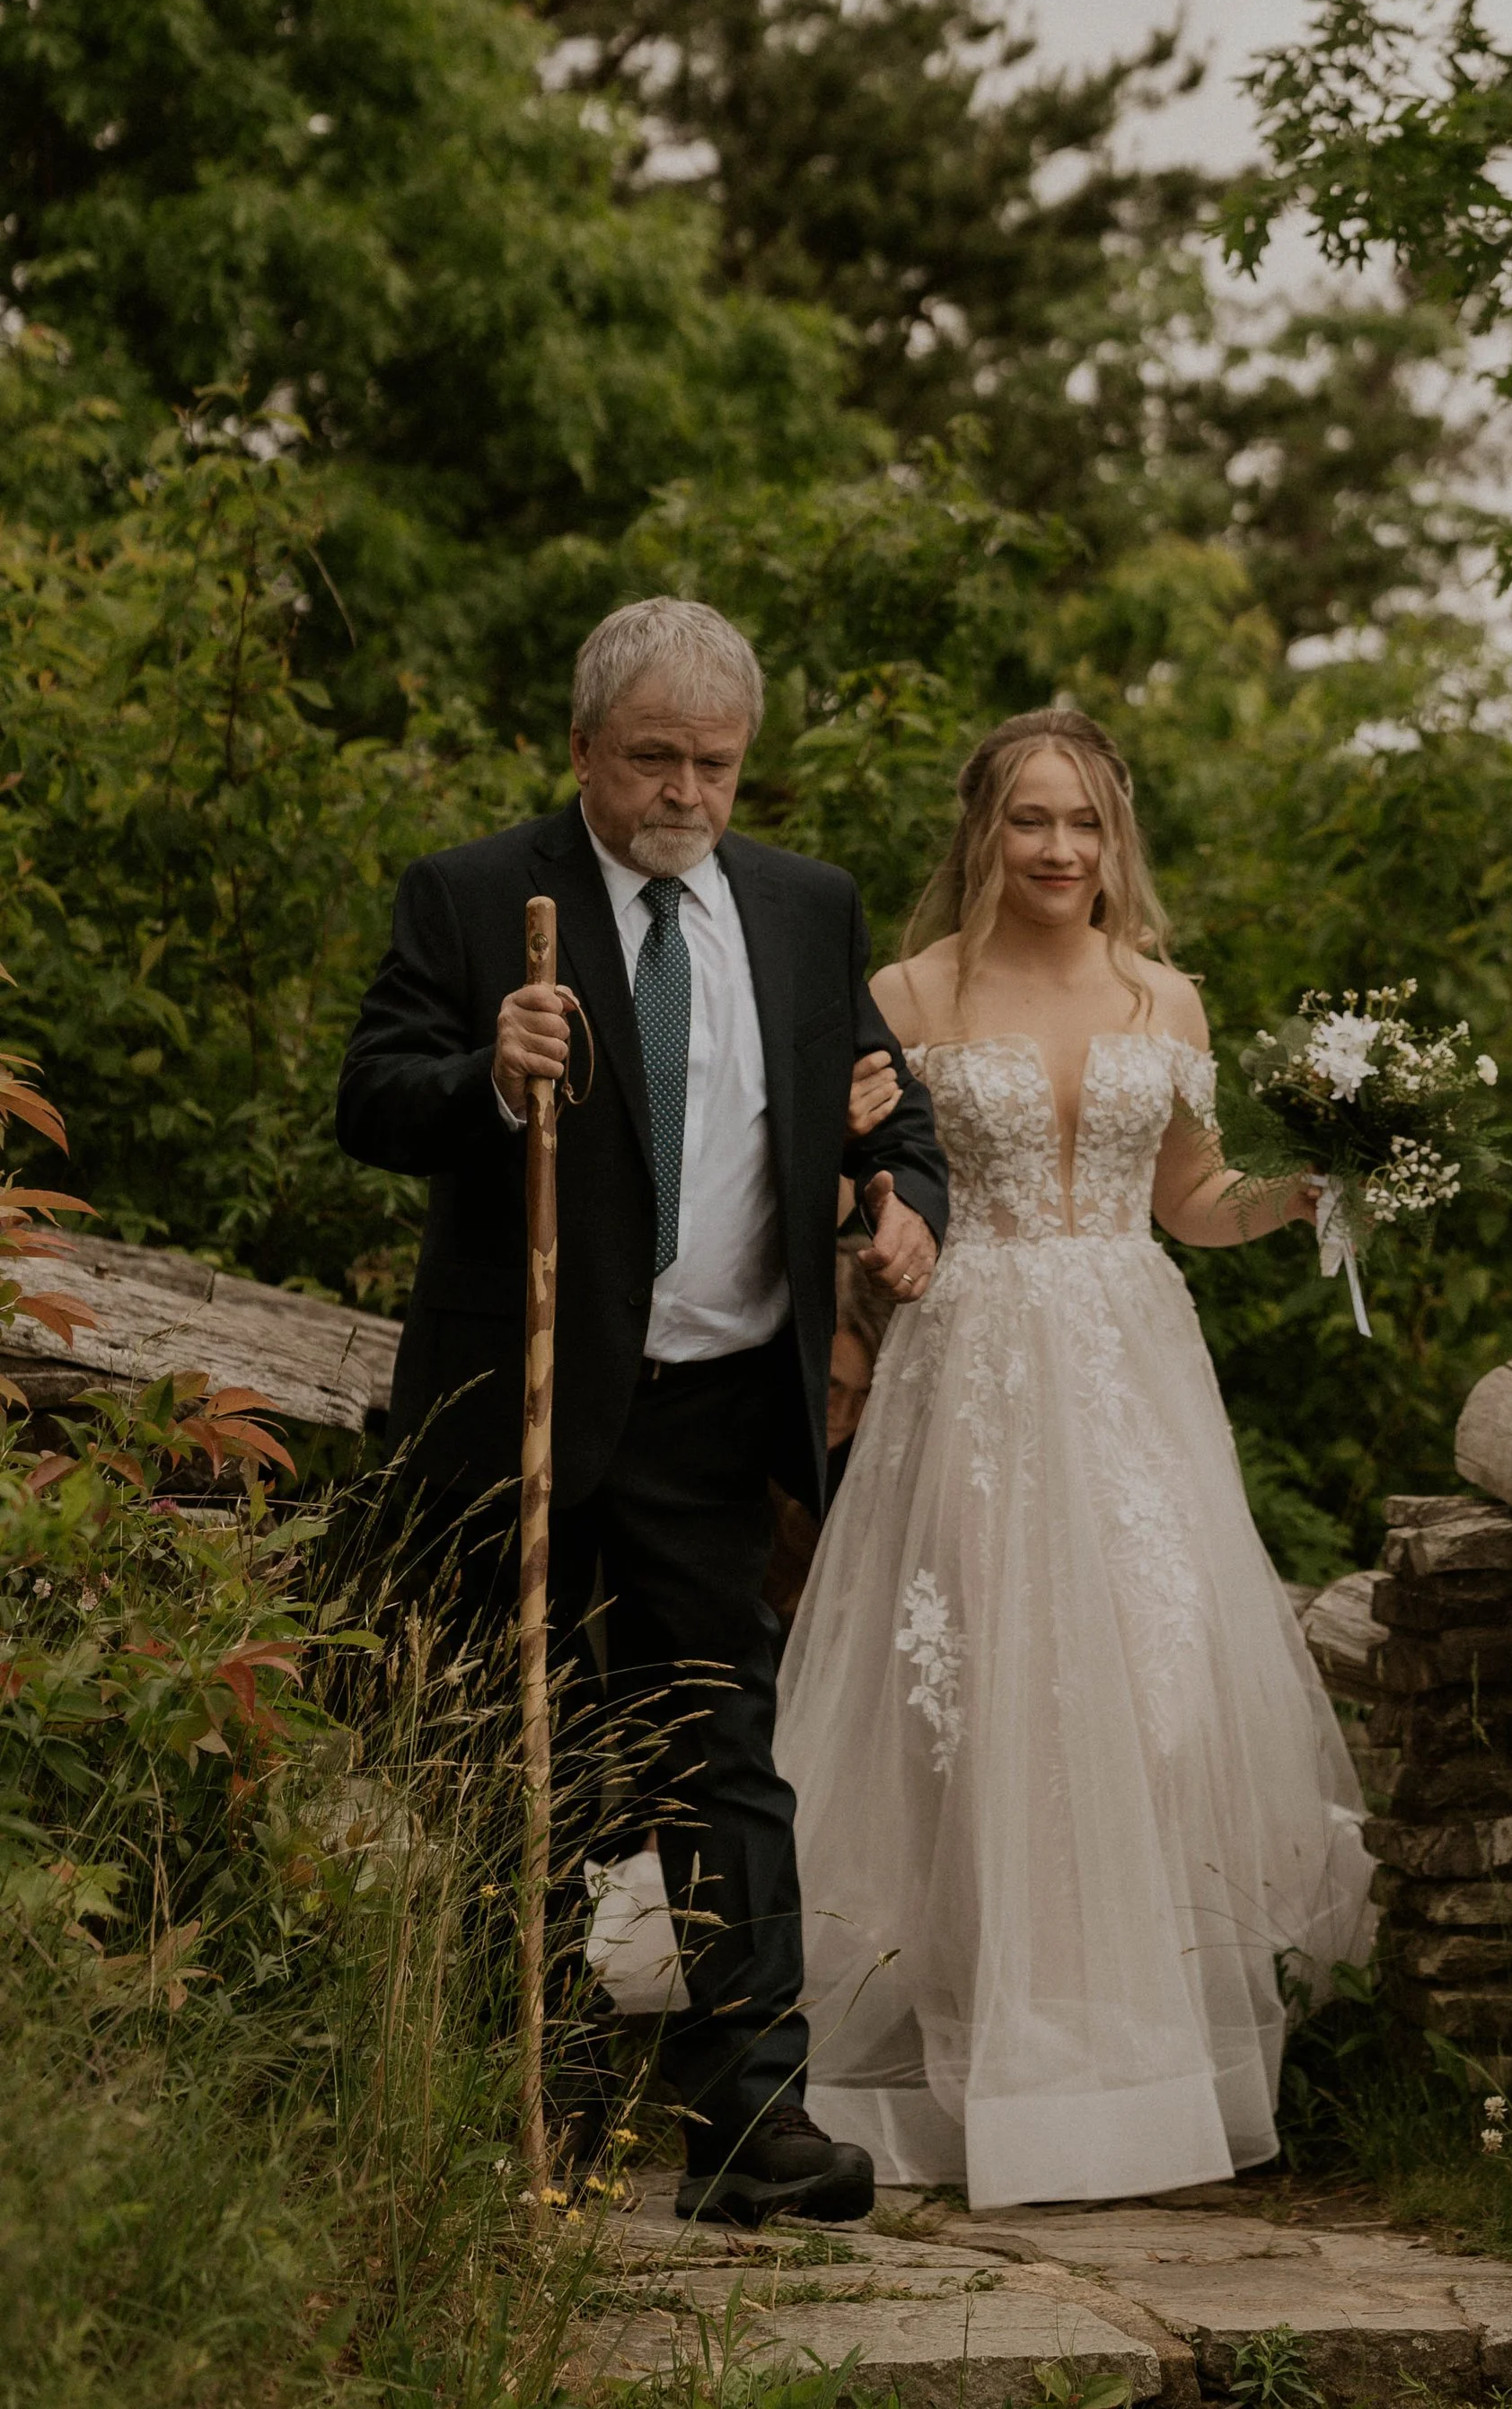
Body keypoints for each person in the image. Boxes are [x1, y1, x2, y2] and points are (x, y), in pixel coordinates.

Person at [334, 595, 949, 2224]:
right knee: (500, 1748)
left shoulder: (805, 907)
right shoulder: (479, 898)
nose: (687, 793)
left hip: (718, 1399)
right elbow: (371, 1101)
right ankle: (498, 2093)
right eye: (657, 759)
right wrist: (487, 1070)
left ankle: (752, 2124)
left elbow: (891, 1102)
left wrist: (901, 1195)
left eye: (718, 765)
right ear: (587, 747)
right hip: (518, 1399)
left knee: (721, 1759)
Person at [775, 708, 1373, 2210]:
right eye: (1032, 820)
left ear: (1117, 839)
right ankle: (996, 2057)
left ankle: (1130, 2050)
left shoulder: (1165, 1001)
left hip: (1126, 1367)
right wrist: (860, 1254)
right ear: (984, 830)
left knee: (1159, 1697)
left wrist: (1301, 1195)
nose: (1060, 850)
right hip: (965, 1367)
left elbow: (1191, 1199)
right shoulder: (902, 994)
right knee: (981, 1702)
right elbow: (862, 1196)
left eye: (1086, 822)